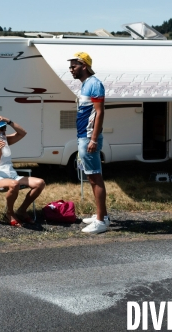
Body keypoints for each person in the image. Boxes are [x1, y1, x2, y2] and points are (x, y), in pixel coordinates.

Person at [68, 52, 109, 234]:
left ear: (84, 66)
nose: (71, 69)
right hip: (84, 136)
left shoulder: (94, 84)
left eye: (74, 66)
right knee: (92, 177)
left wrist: (93, 139)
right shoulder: (86, 84)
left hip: (88, 137)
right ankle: (102, 215)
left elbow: (100, 113)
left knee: (94, 177)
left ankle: (101, 221)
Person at [0, 116, 45, 226]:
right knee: (14, 184)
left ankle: (22, 210)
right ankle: (9, 213)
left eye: (5, 128)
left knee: (40, 183)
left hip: (12, 175)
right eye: (2, 129)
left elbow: (22, 133)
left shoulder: (6, 140)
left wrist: (8, 121)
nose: (4, 131)